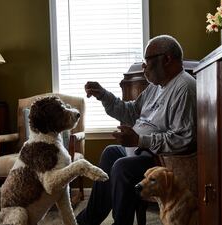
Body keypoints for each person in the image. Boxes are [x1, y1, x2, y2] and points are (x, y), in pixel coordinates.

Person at [76, 35, 197, 225]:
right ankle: (86, 221)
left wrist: (140, 141)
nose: (144, 67)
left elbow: (183, 139)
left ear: (166, 59)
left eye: (146, 61)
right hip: (140, 150)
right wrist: (104, 96)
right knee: (110, 153)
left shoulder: (185, 88)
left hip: (161, 159)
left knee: (122, 167)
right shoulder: (155, 87)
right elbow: (131, 112)